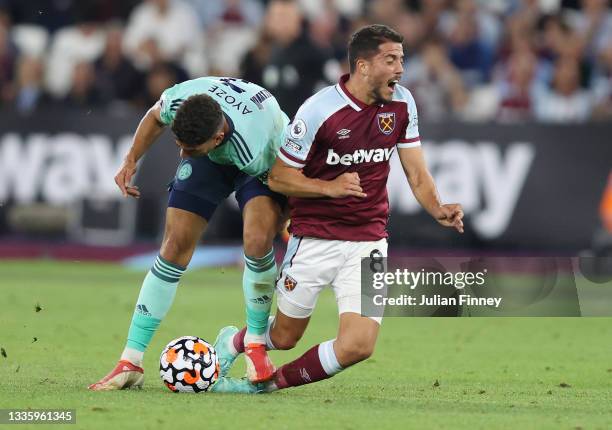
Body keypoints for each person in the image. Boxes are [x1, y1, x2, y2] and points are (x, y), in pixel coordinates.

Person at [216, 24, 464, 393]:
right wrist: (328, 188)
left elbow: (416, 171)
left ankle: (268, 386)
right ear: (362, 66)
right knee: (284, 338)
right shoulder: (319, 110)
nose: (400, 69)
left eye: (401, 60)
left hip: (369, 242)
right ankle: (234, 342)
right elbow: (279, 178)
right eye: (391, 60)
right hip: (315, 238)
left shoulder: (402, 103)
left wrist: (436, 207)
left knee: (358, 345)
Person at [88, 76, 290, 391]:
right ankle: (131, 360)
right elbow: (155, 116)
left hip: (268, 158)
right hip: (218, 150)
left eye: (190, 149)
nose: (183, 154)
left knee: (258, 239)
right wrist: (130, 160)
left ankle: (254, 343)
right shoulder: (181, 101)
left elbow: (282, 181)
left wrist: (287, 219)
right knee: (174, 244)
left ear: (217, 137)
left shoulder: (254, 145)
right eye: (179, 145)